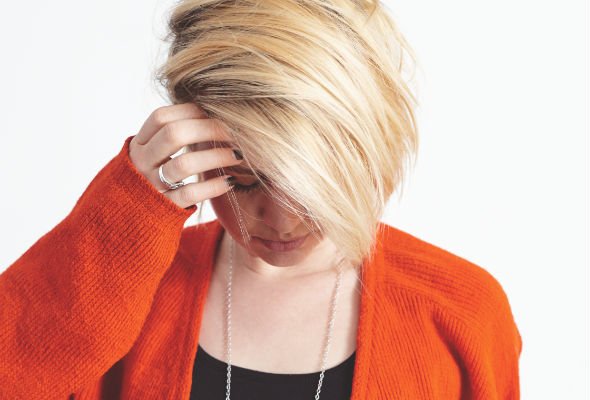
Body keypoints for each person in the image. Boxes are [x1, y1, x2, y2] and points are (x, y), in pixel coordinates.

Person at [0, 0, 522, 399]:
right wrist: (118, 220)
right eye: (242, 180)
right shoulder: (122, 292)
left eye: (310, 184)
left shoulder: (459, 311)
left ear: (371, 147)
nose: (279, 219)